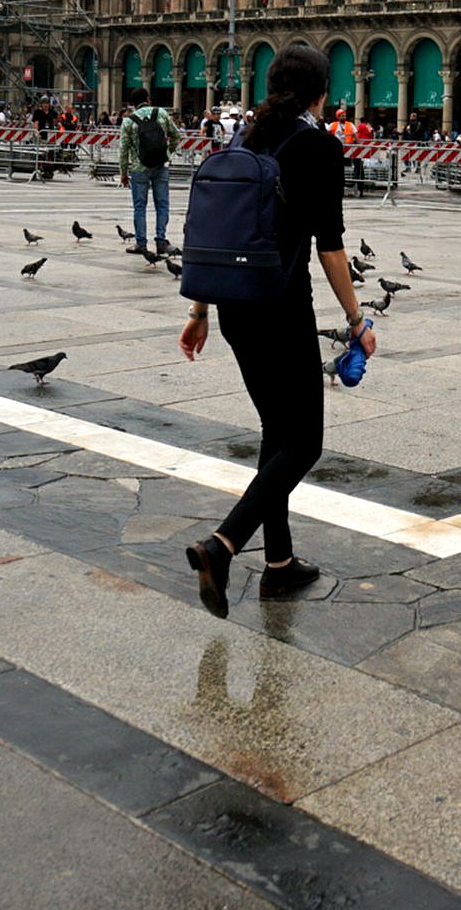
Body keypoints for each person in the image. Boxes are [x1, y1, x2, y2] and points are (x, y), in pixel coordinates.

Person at [178, 45, 373, 617]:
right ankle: (224, 543)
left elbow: (218, 232)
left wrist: (198, 311)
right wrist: (358, 321)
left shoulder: (244, 141)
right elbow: (331, 247)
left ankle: (280, 565)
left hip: (235, 308)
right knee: (305, 442)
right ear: (321, 92)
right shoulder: (320, 146)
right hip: (283, 306)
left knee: (275, 431)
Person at [120, 99, 181, 254]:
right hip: (160, 165)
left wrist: (123, 173)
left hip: (139, 168)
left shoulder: (128, 121)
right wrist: (168, 154)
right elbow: (176, 135)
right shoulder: (161, 113)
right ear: (148, 100)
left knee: (140, 206)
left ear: (135, 104)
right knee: (162, 205)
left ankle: (141, 244)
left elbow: (123, 150)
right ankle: (161, 241)